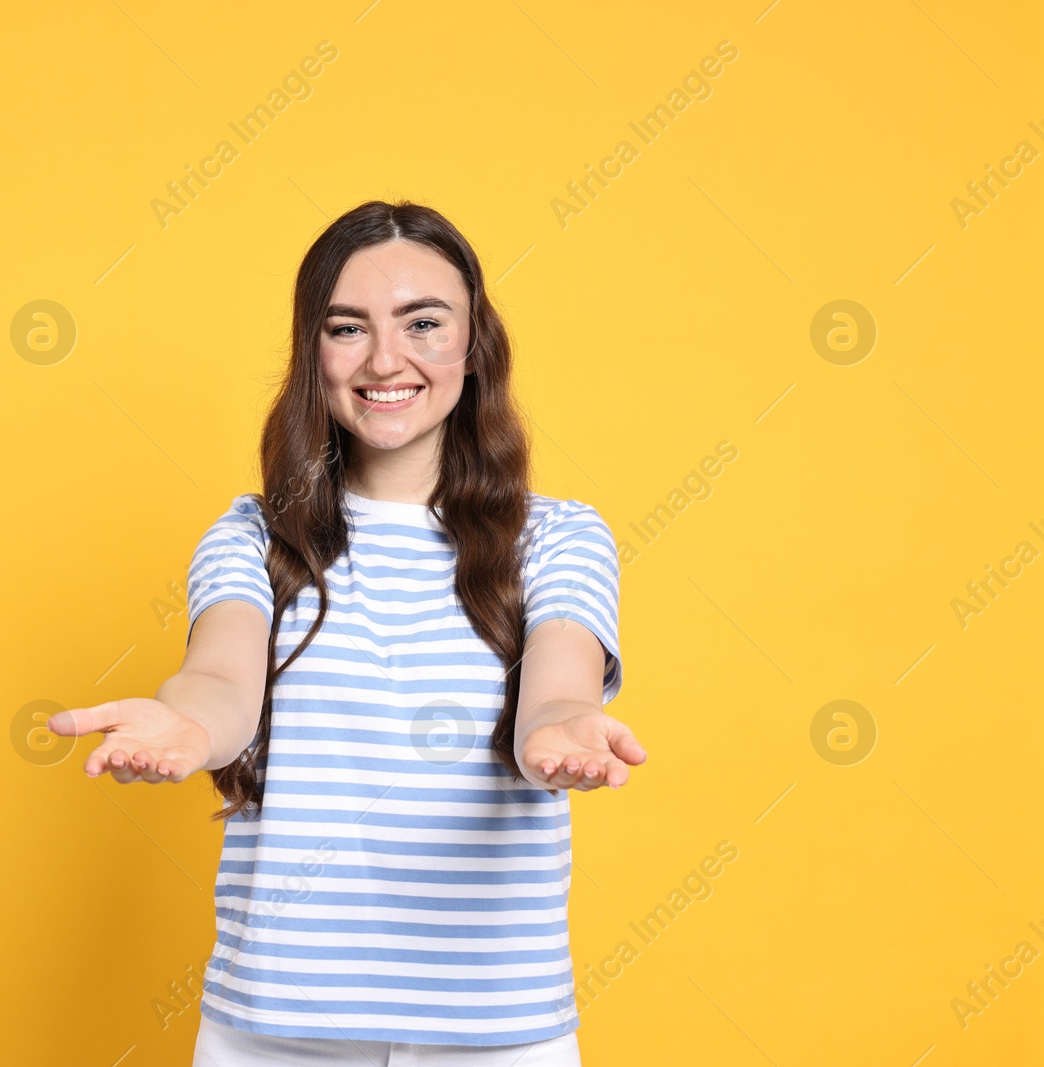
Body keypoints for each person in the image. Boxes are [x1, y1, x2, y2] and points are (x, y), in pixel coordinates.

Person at [48, 199, 647, 1066]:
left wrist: (562, 734)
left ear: (474, 346)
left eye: (424, 323)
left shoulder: (556, 536)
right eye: (346, 327)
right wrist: (185, 723)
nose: (385, 360)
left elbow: (557, 689)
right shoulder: (253, 534)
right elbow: (219, 679)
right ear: (312, 352)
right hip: (275, 1028)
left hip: (492, 1029)